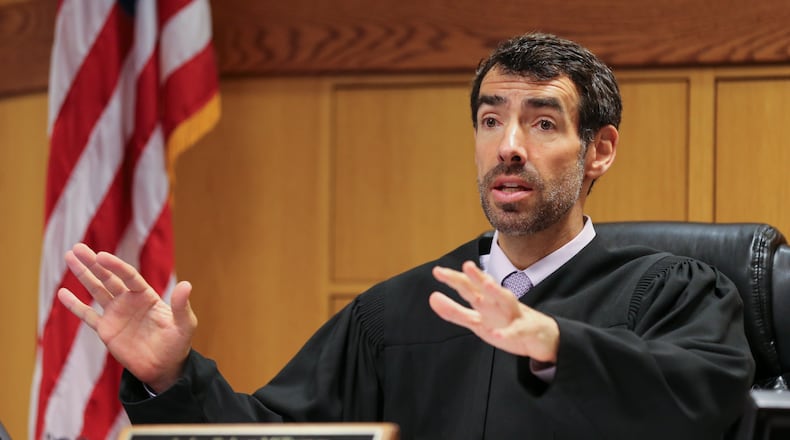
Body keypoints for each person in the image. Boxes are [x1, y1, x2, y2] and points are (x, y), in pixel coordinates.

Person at [58, 33, 754, 439]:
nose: (508, 147)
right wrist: (171, 377)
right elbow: (281, 436)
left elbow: (711, 404)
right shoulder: (401, 313)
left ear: (599, 150)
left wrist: (553, 342)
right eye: (490, 121)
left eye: (542, 123)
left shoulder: (672, 292)